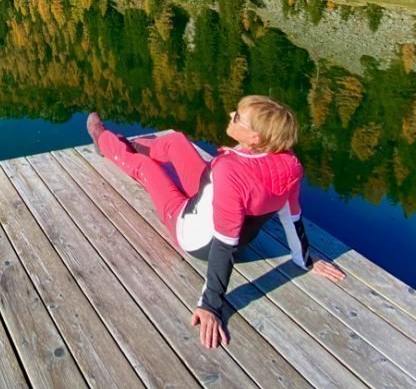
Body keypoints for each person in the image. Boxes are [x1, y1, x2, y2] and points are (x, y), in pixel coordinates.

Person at [87, 94, 346, 350]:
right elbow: (292, 218)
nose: (230, 115)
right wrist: (304, 261)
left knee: (146, 168)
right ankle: (134, 144)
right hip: (208, 200)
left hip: (193, 233)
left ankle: (104, 140)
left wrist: (210, 305)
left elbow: (225, 243)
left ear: (255, 137)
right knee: (176, 141)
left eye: (237, 117)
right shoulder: (288, 164)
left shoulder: (230, 171)